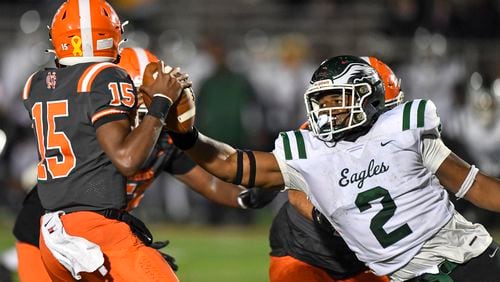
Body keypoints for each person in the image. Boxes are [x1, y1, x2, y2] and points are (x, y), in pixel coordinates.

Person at [151, 54, 500, 281]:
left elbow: (475, 185)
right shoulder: (311, 150)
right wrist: (187, 136)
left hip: (465, 254)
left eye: (338, 99)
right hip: (402, 275)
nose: (328, 110)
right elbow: (231, 165)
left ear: (370, 96)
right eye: (323, 102)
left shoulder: (404, 129)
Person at [14, 46, 273, 281]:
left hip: (96, 232)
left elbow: (210, 182)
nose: (138, 104)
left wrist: (247, 197)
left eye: (144, 94)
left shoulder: (160, 140)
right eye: (132, 95)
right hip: (49, 231)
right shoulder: (98, 136)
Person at [20, 0, 191, 280]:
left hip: (53, 232)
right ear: (112, 35)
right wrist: (160, 102)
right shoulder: (107, 77)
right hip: (94, 232)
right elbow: (127, 160)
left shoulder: (38, 83)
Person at [265, 56, 402, 282]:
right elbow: (297, 192)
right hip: (305, 250)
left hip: (361, 260)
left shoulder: (401, 141)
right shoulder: (319, 134)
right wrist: (329, 219)